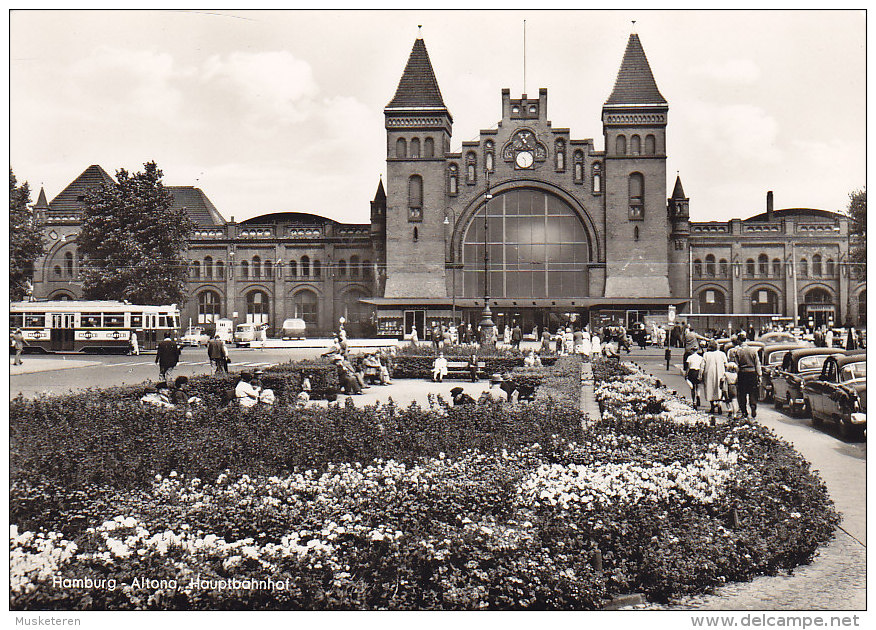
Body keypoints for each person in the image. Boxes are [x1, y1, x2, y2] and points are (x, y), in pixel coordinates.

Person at [735, 331, 762, 419]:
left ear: (739, 341)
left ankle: (744, 411)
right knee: (753, 392)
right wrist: (759, 375)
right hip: (752, 373)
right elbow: (757, 363)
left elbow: (736, 365)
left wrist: (736, 375)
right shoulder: (753, 351)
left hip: (742, 373)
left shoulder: (738, 351)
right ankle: (753, 406)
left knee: (742, 393)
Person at [701, 340, 728, 415]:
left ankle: (712, 405)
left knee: (710, 389)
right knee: (720, 389)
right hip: (720, 373)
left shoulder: (706, 354)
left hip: (709, 373)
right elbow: (726, 364)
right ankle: (719, 404)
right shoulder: (722, 354)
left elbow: (702, 366)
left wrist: (700, 375)